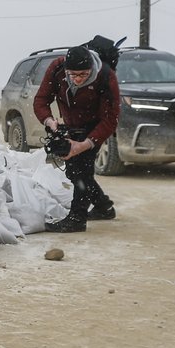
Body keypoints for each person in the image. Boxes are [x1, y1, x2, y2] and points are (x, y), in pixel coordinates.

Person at [34, 44, 121, 232]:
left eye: (83, 74)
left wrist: (85, 144)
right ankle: (103, 207)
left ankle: (77, 218)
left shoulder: (106, 77)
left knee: (82, 170)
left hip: (95, 127)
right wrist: (49, 121)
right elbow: (41, 99)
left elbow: (110, 120)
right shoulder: (57, 69)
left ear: (92, 69)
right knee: (73, 171)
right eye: (73, 75)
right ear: (66, 70)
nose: (78, 79)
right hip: (71, 124)